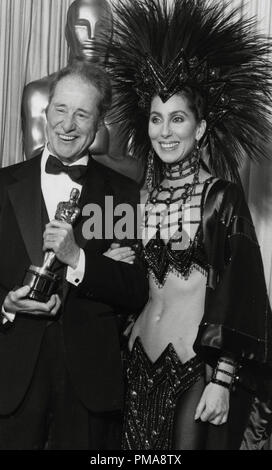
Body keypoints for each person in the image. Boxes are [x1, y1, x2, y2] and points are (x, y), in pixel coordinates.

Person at [102, 0, 272, 450]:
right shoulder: (138, 199)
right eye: (157, 119)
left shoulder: (221, 198)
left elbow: (242, 292)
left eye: (178, 118)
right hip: (136, 364)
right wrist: (121, 262)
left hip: (194, 370)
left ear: (199, 129)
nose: (165, 131)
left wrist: (223, 378)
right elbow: (136, 286)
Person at [0, 58, 148, 450]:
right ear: (46, 111)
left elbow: (134, 290)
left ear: (99, 125)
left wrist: (77, 257)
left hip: (89, 389)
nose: (67, 124)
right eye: (61, 109)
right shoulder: (2, 185)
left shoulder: (121, 194)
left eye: (82, 114)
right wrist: (6, 304)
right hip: (12, 384)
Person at [21, 0, 144, 183]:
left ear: (111, 34)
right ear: (68, 32)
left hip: (111, 206)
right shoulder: (38, 94)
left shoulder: (128, 96)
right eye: (82, 25)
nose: (92, 36)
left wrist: (100, 157)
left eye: (101, 27)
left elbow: (138, 172)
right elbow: (31, 168)